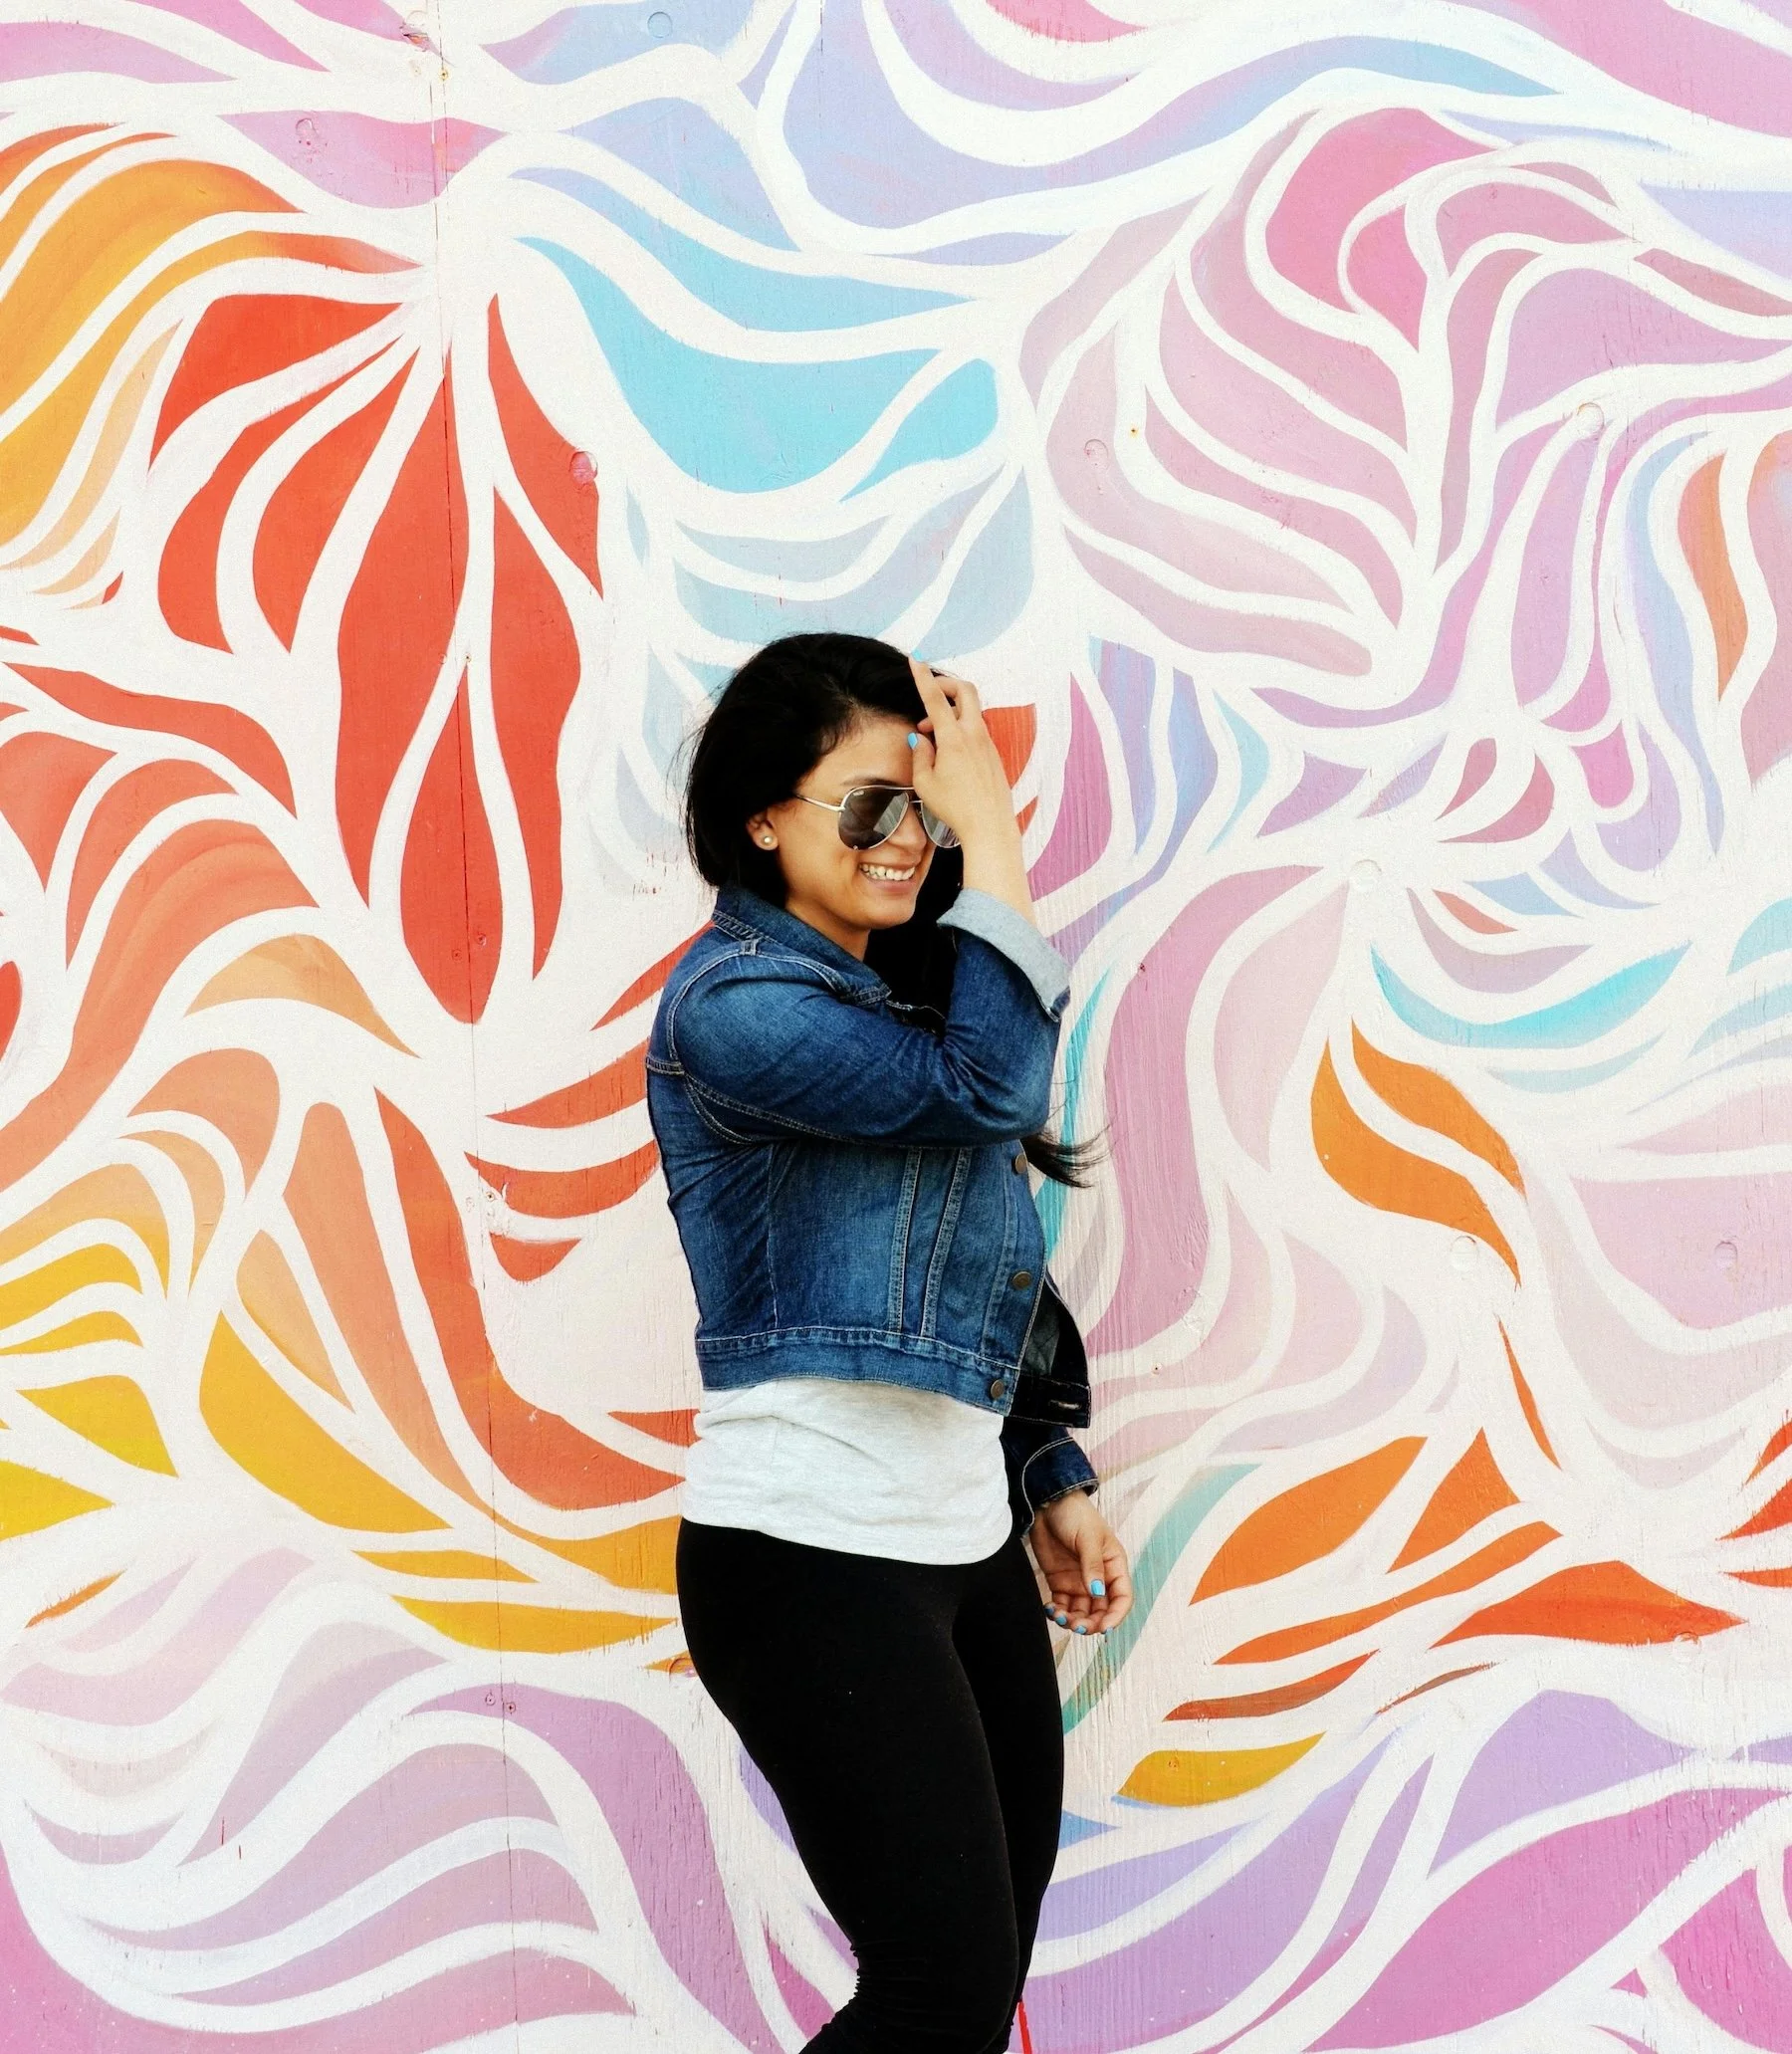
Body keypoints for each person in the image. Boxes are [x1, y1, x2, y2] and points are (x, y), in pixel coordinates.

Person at [649, 632, 1132, 2053]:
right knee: (934, 1993)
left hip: (961, 1547)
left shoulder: (913, 997)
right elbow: (989, 1089)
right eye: (872, 804)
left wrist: (1045, 1470)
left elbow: (982, 1259)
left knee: (970, 2000)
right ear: (764, 819)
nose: (911, 837)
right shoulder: (733, 1007)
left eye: (926, 805)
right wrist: (999, 849)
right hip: (807, 1555)